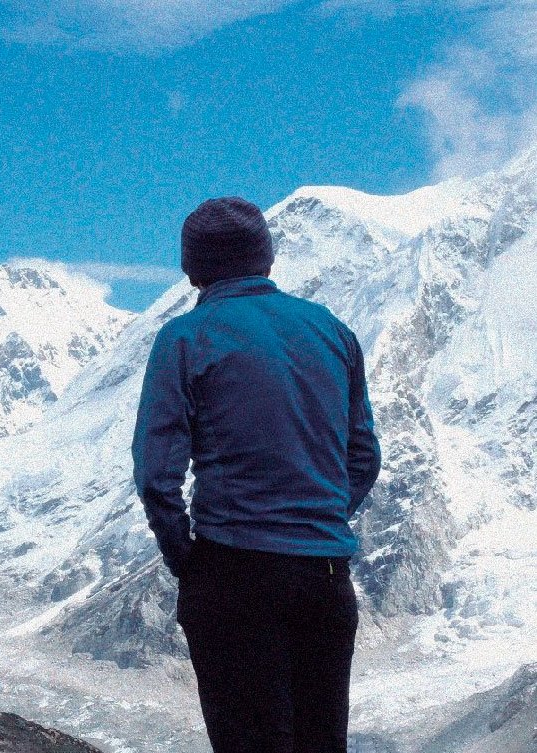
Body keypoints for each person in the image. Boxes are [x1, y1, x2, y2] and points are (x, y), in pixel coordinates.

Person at [131, 197, 381, 753]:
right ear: (267, 258)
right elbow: (363, 456)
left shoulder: (185, 338)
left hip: (234, 573)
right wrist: (319, 519)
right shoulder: (332, 332)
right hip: (326, 577)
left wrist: (190, 561)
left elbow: (156, 474)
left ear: (190, 268)